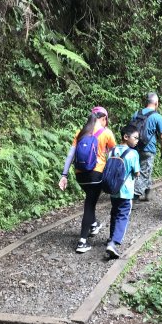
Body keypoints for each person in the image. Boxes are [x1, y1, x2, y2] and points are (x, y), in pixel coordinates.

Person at [59, 106, 116, 253]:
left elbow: (71, 155)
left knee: (90, 199)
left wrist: (64, 175)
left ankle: (94, 224)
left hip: (80, 175)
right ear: (103, 119)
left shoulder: (81, 132)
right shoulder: (106, 133)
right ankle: (82, 241)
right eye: (106, 120)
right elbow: (115, 154)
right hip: (96, 174)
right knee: (89, 205)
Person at [106, 124, 141, 259]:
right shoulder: (133, 154)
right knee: (123, 215)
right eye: (135, 138)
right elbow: (136, 172)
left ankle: (111, 237)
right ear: (126, 137)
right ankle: (113, 243)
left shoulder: (112, 151)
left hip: (113, 189)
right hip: (126, 191)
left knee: (114, 213)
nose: (137, 140)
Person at [131, 92, 162, 202]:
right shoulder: (157, 117)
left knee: (144, 169)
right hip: (148, 149)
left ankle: (148, 192)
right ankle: (135, 196)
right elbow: (161, 136)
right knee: (144, 171)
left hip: (135, 146)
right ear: (156, 103)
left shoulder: (136, 113)